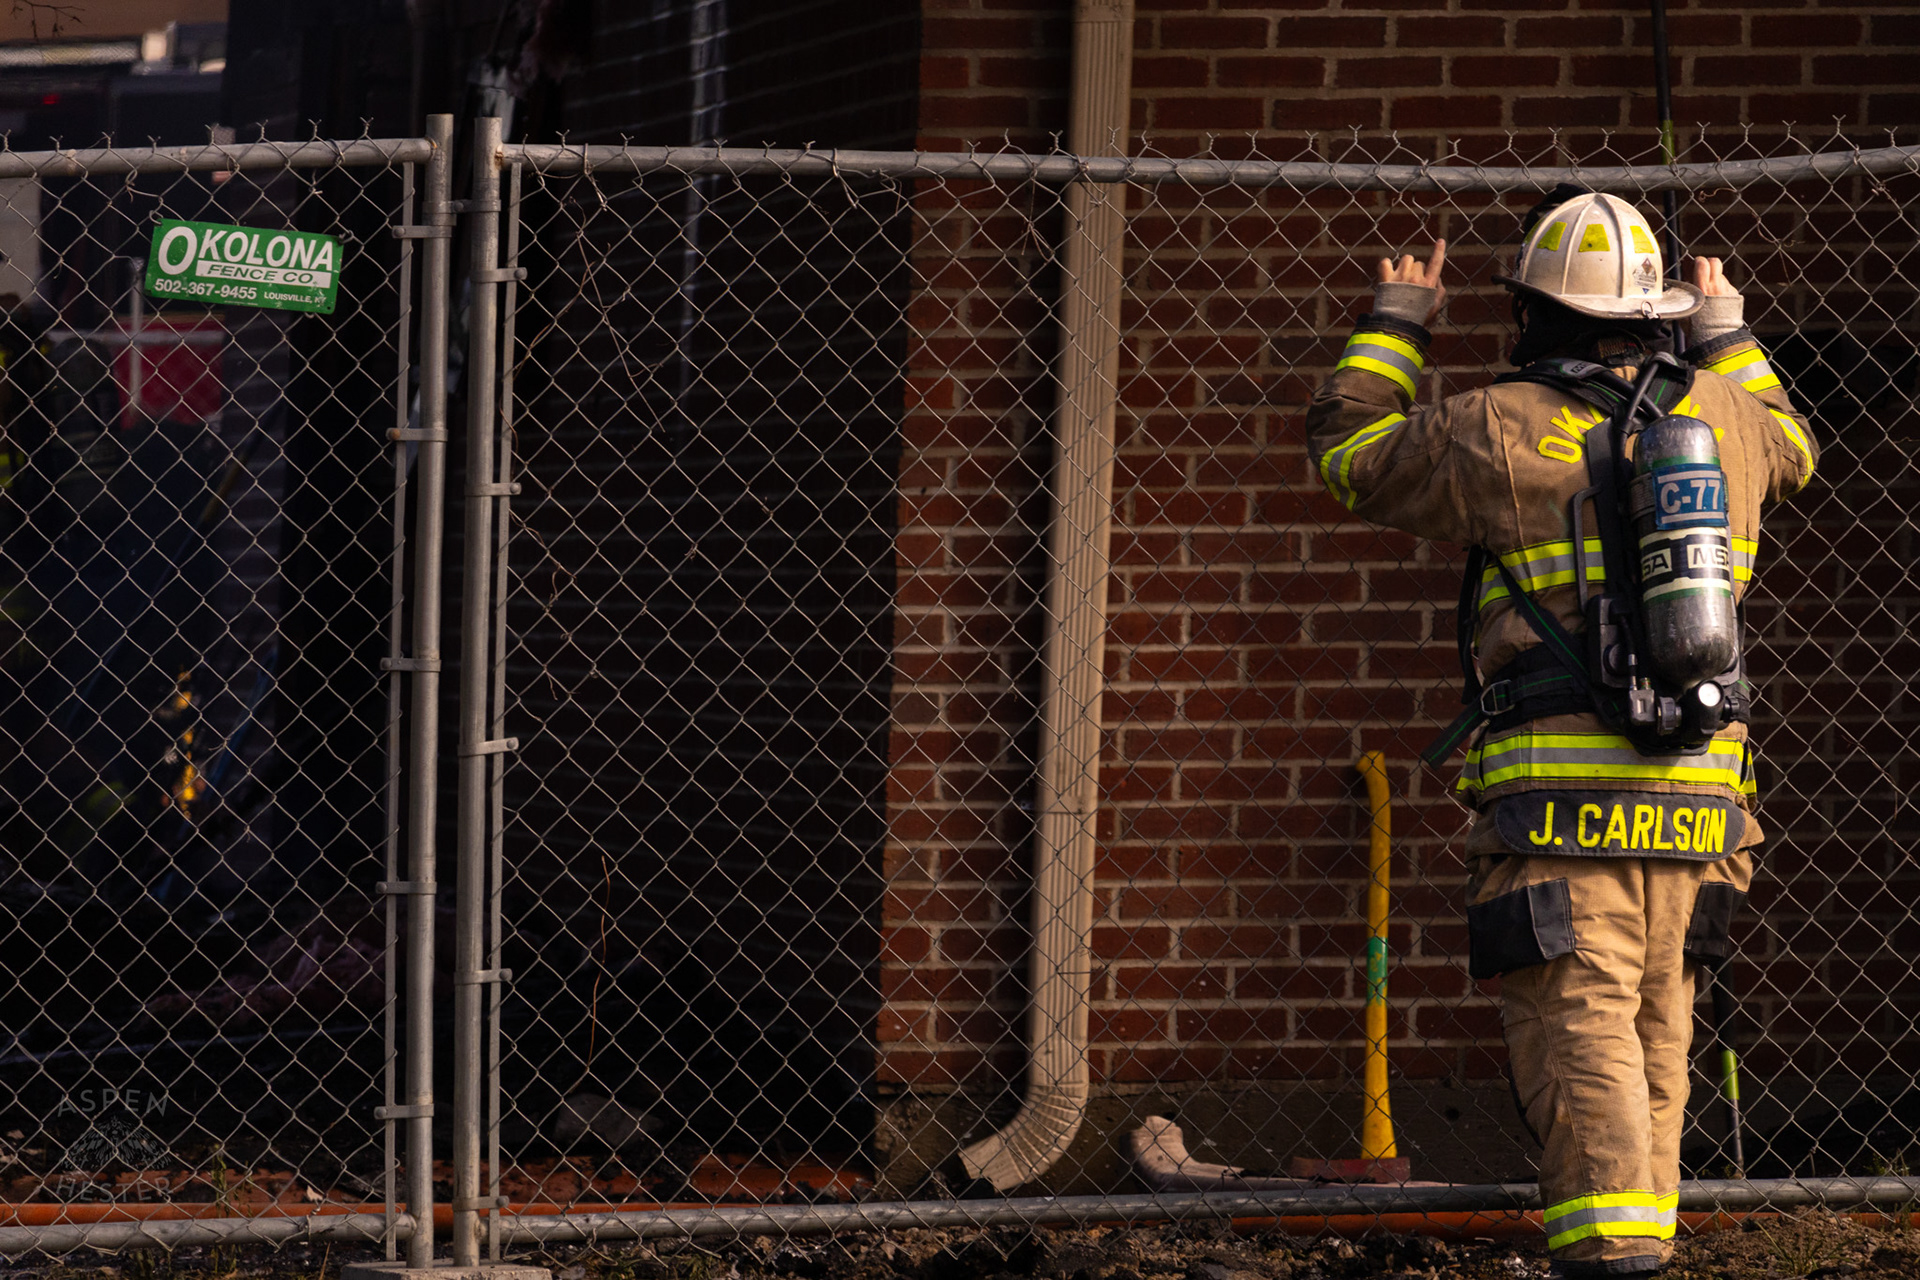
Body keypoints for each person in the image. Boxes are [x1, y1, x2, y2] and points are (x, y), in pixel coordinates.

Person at [1305, 188, 1816, 1279]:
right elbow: (1797, 444)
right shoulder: (1728, 420)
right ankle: (1645, 1248)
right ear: (1658, 313)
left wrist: (1397, 319)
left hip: (1559, 814)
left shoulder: (1496, 427)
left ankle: (1615, 1263)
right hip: (1701, 806)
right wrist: (1728, 332)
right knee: (1656, 1046)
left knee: (1584, 1050)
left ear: (1534, 310)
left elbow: (1350, 453)